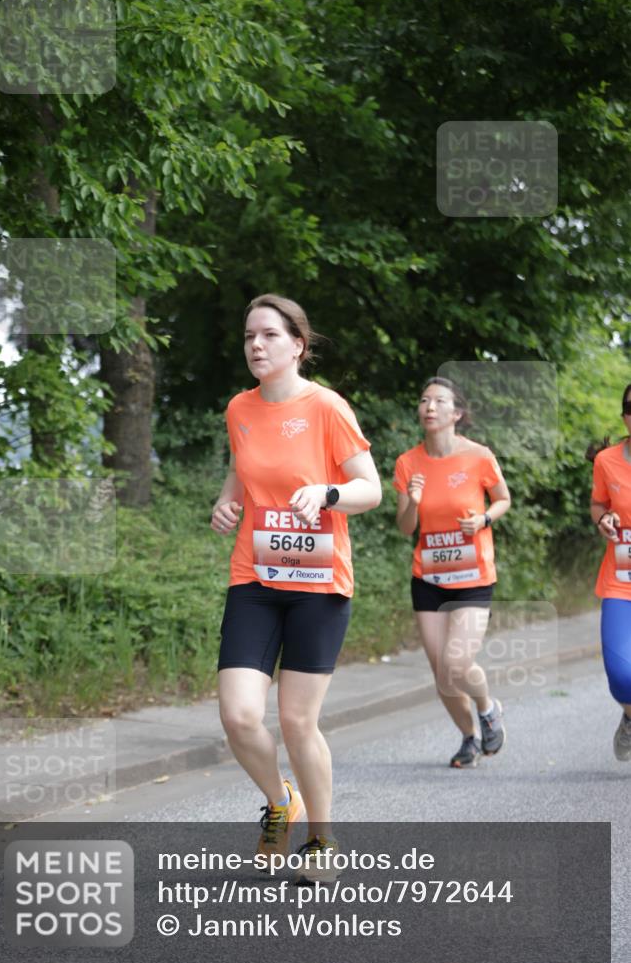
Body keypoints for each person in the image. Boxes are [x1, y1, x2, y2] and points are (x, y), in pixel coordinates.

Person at [211, 293, 382, 879]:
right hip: (254, 576)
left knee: (296, 721)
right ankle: (281, 801)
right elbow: (243, 465)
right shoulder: (239, 407)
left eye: (269, 336)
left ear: (298, 346)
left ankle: (323, 838)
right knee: (237, 715)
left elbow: (371, 488)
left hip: (318, 582)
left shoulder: (327, 407)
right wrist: (228, 500)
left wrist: (328, 493)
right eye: (248, 337)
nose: (256, 346)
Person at [394, 377, 512, 768]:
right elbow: (406, 528)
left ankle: (487, 707)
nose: (429, 406)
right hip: (428, 579)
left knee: (457, 664)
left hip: (473, 578)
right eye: (424, 399)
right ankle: (469, 738)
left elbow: (502, 499)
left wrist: (482, 519)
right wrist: (412, 501)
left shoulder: (478, 456)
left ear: (456, 413)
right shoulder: (408, 463)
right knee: (441, 673)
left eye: (439, 401)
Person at [588, 382, 631, 761]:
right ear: (624, 416)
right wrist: (604, 519)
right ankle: (630, 717)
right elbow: (599, 504)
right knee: (621, 675)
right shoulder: (607, 462)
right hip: (621, 582)